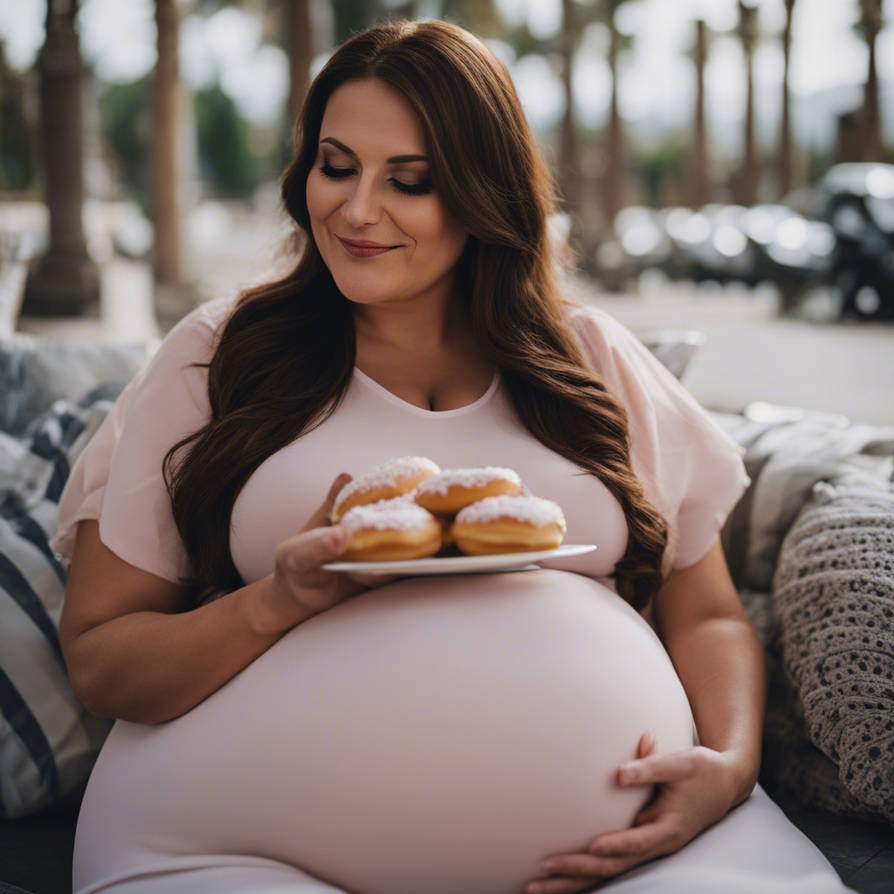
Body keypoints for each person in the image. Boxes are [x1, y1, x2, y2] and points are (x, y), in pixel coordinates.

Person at [53, 19, 853, 894]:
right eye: (337, 164)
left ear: (483, 192)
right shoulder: (220, 354)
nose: (357, 211)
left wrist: (727, 768)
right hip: (226, 850)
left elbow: (706, 614)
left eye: (412, 181)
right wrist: (279, 601)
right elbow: (101, 659)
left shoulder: (587, 358)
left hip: (636, 855)